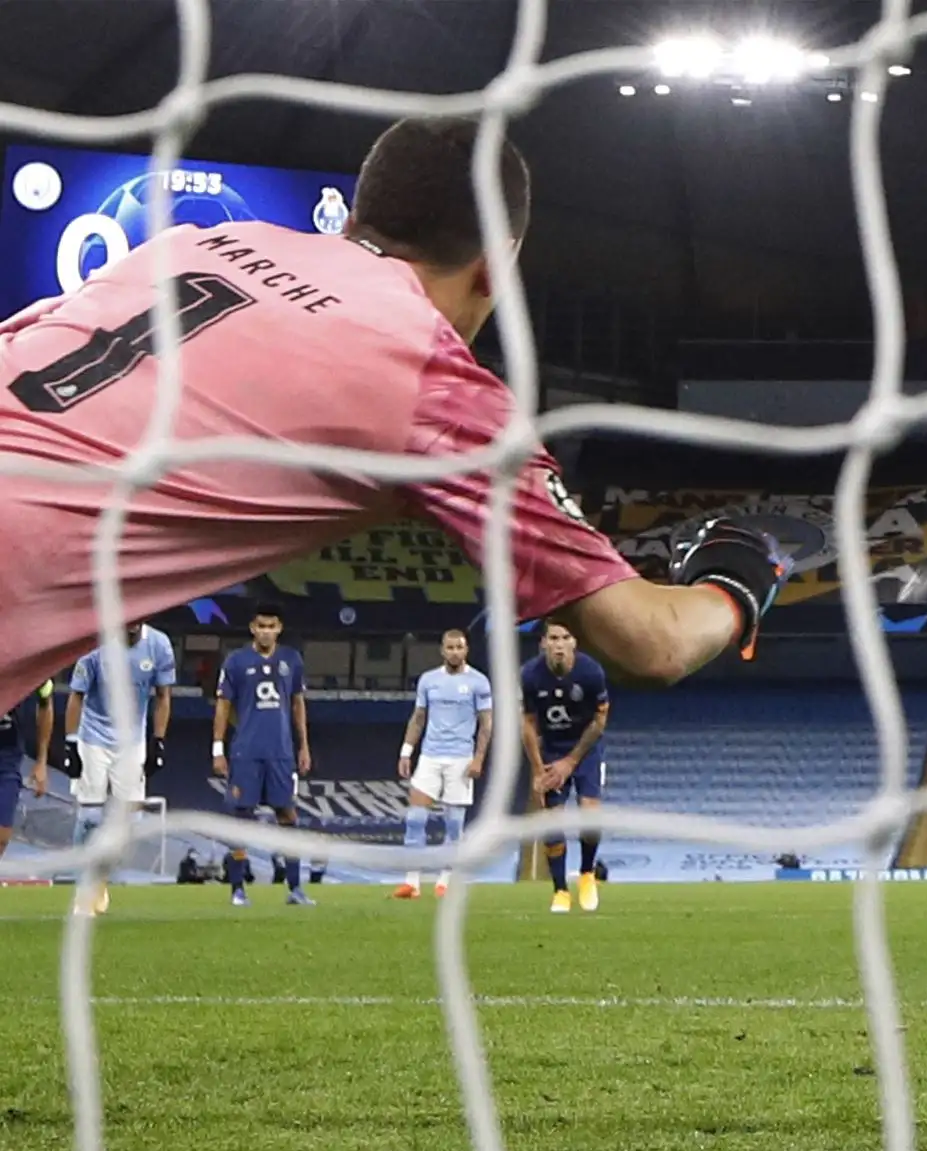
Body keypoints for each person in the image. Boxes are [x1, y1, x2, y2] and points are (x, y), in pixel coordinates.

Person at [0, 116, 786, 715]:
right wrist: (738, 582)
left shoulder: (193, 244)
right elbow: (651, 644)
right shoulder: (435, 382)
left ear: (353, 219)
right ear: (497, 266)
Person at [64, 622, 176, 916]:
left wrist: (158, 741)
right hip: (93, 739)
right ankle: (84, 888)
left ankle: (99, 878)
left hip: (132, 742)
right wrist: (71, 743)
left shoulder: (159, 644)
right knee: (90, 817)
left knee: (131, 822)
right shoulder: (95, 643)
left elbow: (163, 695)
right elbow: (76, 695)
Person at [213, 605, 312, 907]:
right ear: (252, 628)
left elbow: (297, 703)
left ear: (279, 628)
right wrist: (218, 748)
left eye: (272, 626)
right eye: (261, 626)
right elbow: (223, 706)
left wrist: (304, 745)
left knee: (288, 815)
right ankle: (237, 889)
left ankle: (296, 889)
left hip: (281, 752)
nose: (266, 631)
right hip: (246, 751)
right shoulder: (236, 661)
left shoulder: (291, 659)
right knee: (242, 819)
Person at [395, 629, 493, 899]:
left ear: (466, 650)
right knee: (415, 819)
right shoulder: (429, 680)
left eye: (459, 647)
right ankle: (412, 882)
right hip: (430, 756)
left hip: (460, 759)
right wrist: (406, 752)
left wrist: (479, 758)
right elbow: (418, 718)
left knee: (453, 824)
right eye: (450, 647)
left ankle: (445, 880)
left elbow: (486, 723)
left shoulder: (478, 682)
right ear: (442, 650)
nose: (455, 652)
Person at [522, 621, 611, 914]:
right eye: (553, 638)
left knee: (590, 817)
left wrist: (571, 762)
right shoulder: (530, 675)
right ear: (543, 643)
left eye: (565, 637)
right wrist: (538, 771)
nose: (559, 644)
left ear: (574, 642)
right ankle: (560, 890)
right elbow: (528, 724)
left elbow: (599, 721)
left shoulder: (591, 672)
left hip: (586, 750)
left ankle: (587, 873)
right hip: (551, 749)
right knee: (553, 821)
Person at [0, 680, 53, 863]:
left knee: (2, 836)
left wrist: (42, 761)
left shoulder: (24, 665)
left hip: (7, 755)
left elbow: (45, 702)